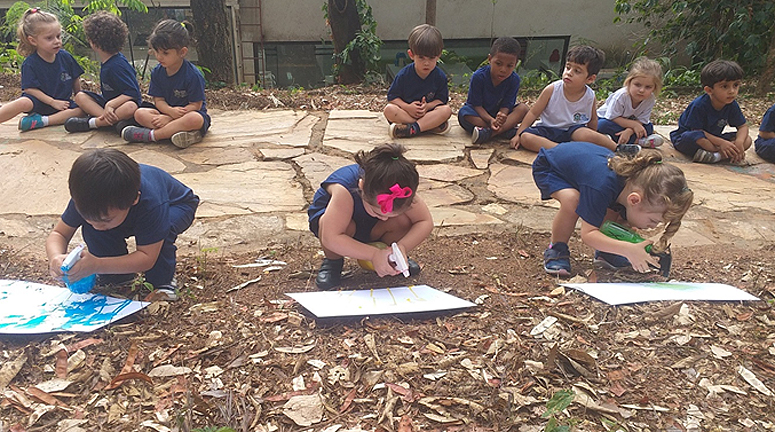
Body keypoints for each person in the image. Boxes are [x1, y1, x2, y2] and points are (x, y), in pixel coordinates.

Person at [46, 149, 199, 300]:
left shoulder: (151, 204)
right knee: (95, 231)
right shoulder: (86, 198)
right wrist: (55, 257)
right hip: (125, 212)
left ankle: (162, 281)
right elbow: (59, 234)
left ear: (134, 199)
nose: (97, 225)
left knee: (160, 234)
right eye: (88, 218)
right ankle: (118, 277)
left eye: (105, 220)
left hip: (176, 206)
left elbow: (147, 257)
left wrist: (97, 264)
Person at [532, 141, 693, 277]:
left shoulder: (628, 186)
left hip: (584, 171)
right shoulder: (600, 186)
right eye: (653, 220)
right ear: (634, 200)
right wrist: (627, 249)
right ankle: (557, 248)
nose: (653, 226)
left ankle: (606, 253)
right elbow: (588, 235)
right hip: (551, 167)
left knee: (616, 211)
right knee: (572, 200)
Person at [307, 143, 434, 290]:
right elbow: (331, 237)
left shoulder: (402, 191)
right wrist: (374, 255)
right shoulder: (344, 191)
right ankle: (333, 262)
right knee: (335, 224)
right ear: (361, 187)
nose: (385, 218)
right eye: (378, 212)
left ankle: (391, 255)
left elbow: (425, 221)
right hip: (341, 228)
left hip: (373, 228)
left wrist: (401, 247)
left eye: (391, 215)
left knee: (403, 221)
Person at [510, 46, 625, 154]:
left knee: (585, 134)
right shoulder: (552, 89)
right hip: (548, 130)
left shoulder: (589, 96)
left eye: (577, 71)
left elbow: (593, 119)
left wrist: (591, 138)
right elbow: (533, 113)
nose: (569, 73)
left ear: (590, 79)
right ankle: (562, 150)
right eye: (568, 67)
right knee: (526, 138)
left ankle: (619, 148)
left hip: (573, 131)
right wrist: (519, 134)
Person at [121, 19, 210, 149]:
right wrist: (169, 112)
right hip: (165, 112)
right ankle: (179, 133)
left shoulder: (193, 75)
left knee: (194, 119)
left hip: (187, 114)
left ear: (182, 52)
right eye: (156, 51)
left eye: (165, 53)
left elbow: (196, 105)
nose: (159, 57)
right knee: (139, 114)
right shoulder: (157, 72)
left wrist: (172, 117)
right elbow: (159, 100)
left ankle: (152, 135)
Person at [0, 8, 83, 131]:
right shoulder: (30, 63)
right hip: (38, 101)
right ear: (33, 41)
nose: (57, 41)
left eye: (58, 36)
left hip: (62, 103)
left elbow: (75, 78)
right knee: (23, 102)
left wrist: (79, 96)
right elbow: (30, 89)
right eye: (49, 38)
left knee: (81, 110)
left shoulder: (66, 57)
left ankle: (41, 121)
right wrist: (52, 102)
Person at [64, 11, 141, 134]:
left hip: (121, 104)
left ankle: (93, 123)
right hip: (107, 103)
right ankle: (109, 121)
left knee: (130, 107)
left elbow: (133, 92)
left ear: (94, 43)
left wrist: (111, 104)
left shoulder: (117, 65)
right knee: (80, 96)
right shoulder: (107, 61)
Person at [669, 60, 752, 164]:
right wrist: (722, 143)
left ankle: (716, 156)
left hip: (714, 138)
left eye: (735, 85)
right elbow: (697, 131)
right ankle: (719, 154)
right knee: (697, 137)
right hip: (689, 138)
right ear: (709, 90)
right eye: (725, 86)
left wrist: (739, 142)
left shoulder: (731, 104)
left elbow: (742, 126)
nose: (732, 91)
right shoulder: (699, 105)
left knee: (747, 140)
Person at [384, 24, 452, 139]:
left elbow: (441, 100)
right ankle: (429, 126)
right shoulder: (403, 75)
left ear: (438, 55)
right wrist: (408, 107)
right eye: (421, 58)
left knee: (446, 111)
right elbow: (393, 98)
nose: (426, 63)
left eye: (431, 58)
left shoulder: (440, 76)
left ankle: (410, 128)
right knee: (389, 110)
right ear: (411, 55)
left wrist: (427, 106)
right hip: (407, 113)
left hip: (428, 113)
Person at [458, 36, 529, 144]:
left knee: (523, 109)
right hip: (481, 114)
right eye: (498, 64)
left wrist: (502, 116)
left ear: (515, 64)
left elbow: (507, 104)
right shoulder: (479, 77)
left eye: (509, 66)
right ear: (490, 59)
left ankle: (488, 133)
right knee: (464, 114)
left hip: (499, 115)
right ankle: (504, 130)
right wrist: (491, 120)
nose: (503, 70)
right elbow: (476, 105)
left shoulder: (514, 80)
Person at [597, 57, 664, 147]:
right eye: (637, 85)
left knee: (649, 127)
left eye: (648, 87)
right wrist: (634, 125)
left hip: (629, 125)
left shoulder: (650, 99)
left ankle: (621, 139)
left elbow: (642, 120)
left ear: (654, 88)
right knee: (602, 125)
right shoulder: (621, 96)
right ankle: (637, 141)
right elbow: (612, 117)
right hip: (610, 120)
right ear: (629, 82)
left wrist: (629, 131)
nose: (641, 90)